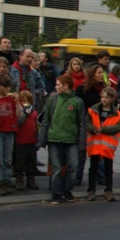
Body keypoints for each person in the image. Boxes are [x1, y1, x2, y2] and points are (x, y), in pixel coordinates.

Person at [39, 74, 84, 203]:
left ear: (66, 86)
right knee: (56, 168)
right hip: (54, 139)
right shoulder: (52, 100)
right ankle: (56, 194)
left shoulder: (77, 102)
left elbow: (82, 123)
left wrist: (82, 143)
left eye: (58, 85)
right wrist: (41, 140)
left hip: (71, 140)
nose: (55, 87)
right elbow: (46, 120)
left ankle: (67, 190)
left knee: (73, 165)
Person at [85, 87, 120, 202]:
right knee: (93, 168)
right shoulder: (93, 110)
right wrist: (92, 128)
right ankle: (91, 190)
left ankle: (108, 191)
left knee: (108, 169)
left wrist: (104, 129)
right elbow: (87, 122)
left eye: (107, 97)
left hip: (107, 146)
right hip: (95, 144)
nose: (104, 99)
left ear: (112, 99)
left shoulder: (117, 114)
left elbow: (118, 127)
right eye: (102, 97)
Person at [75, 64, 107, 187]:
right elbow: (79, 107)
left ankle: (100, 176)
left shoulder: (104, 90)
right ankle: (77, 177)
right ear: (92, 75)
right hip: (85, 123)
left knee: (98, 152)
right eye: (99, 72)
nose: (102, 75)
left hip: (100, 124)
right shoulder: (82, 89)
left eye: (102, 72)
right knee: (81, 152)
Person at [0, 74, 20, 196]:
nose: (8, 89)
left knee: (8, 159)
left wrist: (17, 102)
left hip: (10, 130)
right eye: (5, 86)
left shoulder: (11, 99)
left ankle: (6, 181)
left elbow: (19, 114)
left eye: (9, 86)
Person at [13, 90, 38, 191]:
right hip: (20, 141)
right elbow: (18, 123)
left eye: (27, 101)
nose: (25, 103)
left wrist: (37, 138)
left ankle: (31, 180)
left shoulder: (34, 112)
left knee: (31, 162)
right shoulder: (18, 112)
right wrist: (25, 114)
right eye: (23, 101)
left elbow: (36, 126)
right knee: (20, 163)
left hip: (31, 141)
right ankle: (19, 180)